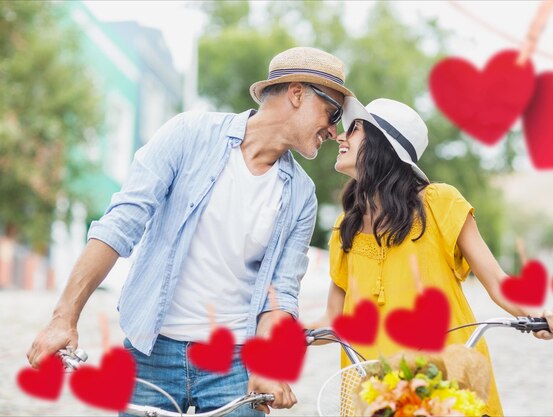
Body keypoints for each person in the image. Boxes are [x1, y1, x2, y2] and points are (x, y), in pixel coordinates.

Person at [27, 46, 354, 416]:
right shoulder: (189, 135)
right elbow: (120, 224)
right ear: (297, 93)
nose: (334, 130)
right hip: (151, 351)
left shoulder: (301, 195)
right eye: (333, 112)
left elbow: (280, 293)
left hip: (233, 364)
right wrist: (63, 319)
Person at [316, 97, 553, 416]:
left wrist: (540, 317)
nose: (341, 136)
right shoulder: (346, 226)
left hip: (446, 379)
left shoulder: (440, 202)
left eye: (355, 129)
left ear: (383, 145)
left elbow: (497, 282)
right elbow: (333, 320)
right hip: (372, 389)